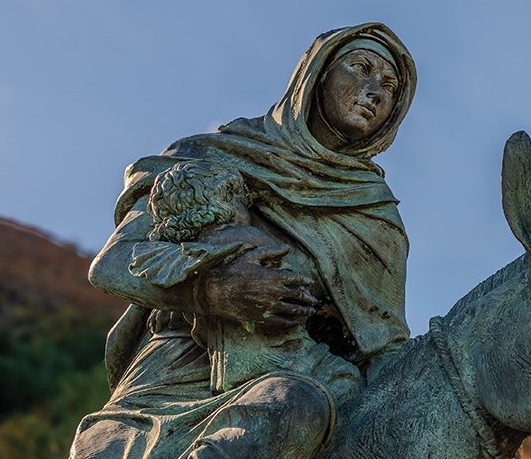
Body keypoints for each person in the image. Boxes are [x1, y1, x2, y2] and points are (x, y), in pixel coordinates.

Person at [0, 22, 416, 459]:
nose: (376, 90)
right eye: (363, 69)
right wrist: (220, 290)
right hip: (169, 386)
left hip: (291, 386)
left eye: (392, 86)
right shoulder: (217, 157)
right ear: (315, 74)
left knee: (295, 409)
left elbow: (382, 348)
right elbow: (115, 265)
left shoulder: (373, 215)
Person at [129, 159, 359, 397]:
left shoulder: (183, 257)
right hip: (284, 356)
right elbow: (293, 289)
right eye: (242, 201)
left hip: (228, 371)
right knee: (344, 379)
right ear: (226, 198)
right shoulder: (248, 237)